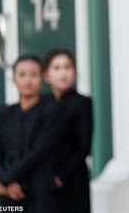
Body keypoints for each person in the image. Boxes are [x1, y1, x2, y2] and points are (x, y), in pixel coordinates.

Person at [0, 55, 58, 212]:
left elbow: (38, 151)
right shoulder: (4, 112)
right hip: (8, 194)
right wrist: (3, 181)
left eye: (34, 75)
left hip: (39, 192)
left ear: (43, 78)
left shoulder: (51, 110)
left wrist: (7, 180)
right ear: (14, 79)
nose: (28, 80)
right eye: (22, 75)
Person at [43, 49, 93, 213]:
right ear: (47, 75)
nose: (63, 73)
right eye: (56, 68)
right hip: (42, 181)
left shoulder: (82, 102)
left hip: (73, 180)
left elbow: (84, 147)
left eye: (67, 67)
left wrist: (60, 177)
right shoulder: (41, 104)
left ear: (75, 71)